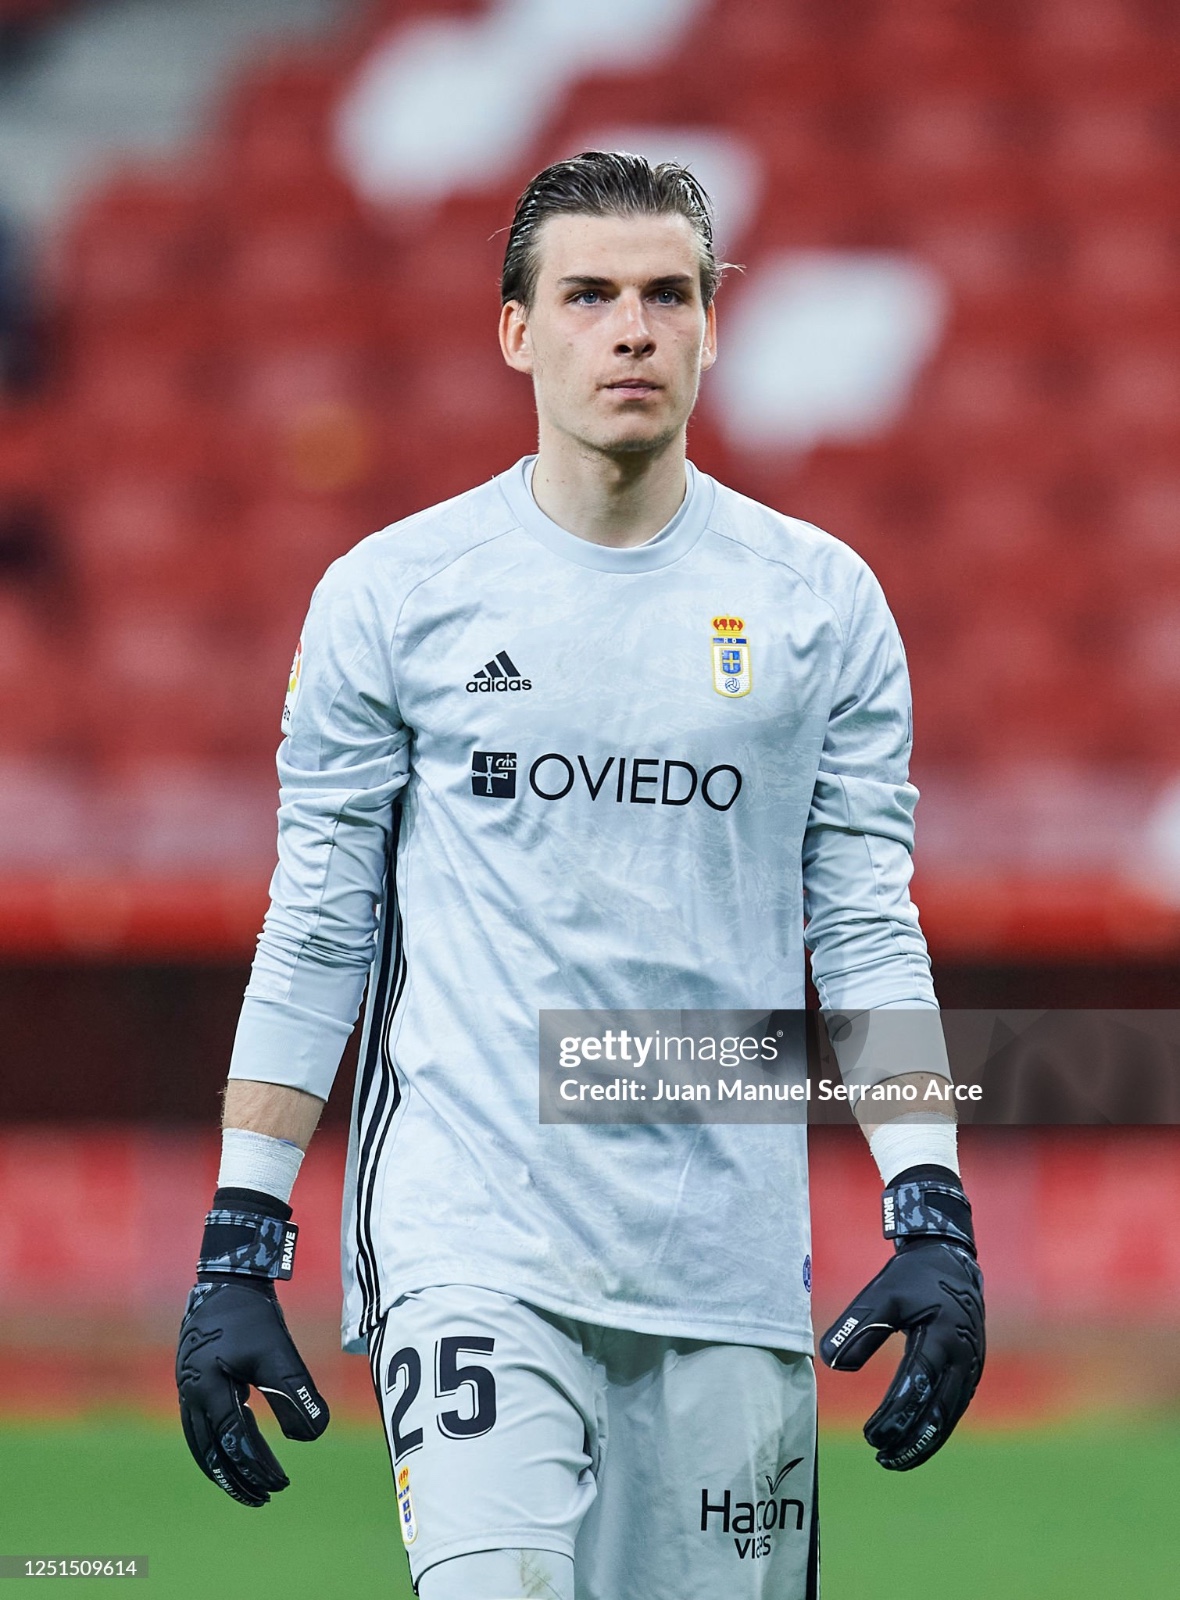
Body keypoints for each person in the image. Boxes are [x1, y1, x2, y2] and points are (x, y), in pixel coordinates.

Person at [176, 151, 984, 1600]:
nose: (633, 328)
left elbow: (864, 923)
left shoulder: (821, 603)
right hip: (473, 1227)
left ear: (713, 326)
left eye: (669, 294)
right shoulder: (398, 595)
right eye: (590, 293)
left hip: (728, 1255)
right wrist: (242, 1232)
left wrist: (931, 1205)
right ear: (516, 331)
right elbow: (318, 925)